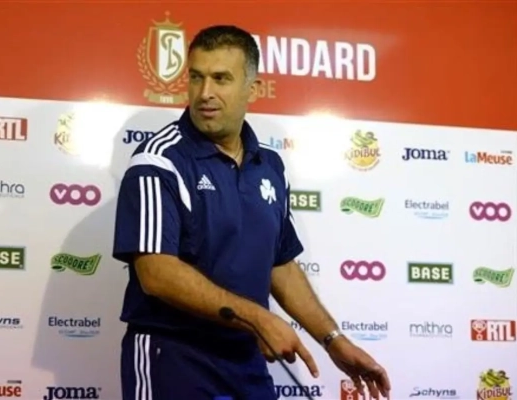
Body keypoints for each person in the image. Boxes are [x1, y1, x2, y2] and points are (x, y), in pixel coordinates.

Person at [112, 25, 391, 400]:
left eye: (221, 79)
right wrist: (259, 318)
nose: (205, 93)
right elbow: (156, 274)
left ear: (253, 89)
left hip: (247, 361)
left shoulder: (270, 166)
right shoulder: (158, 160)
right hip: (174, 357)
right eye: (196, 77)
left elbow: (280, 265)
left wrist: (334, 340)